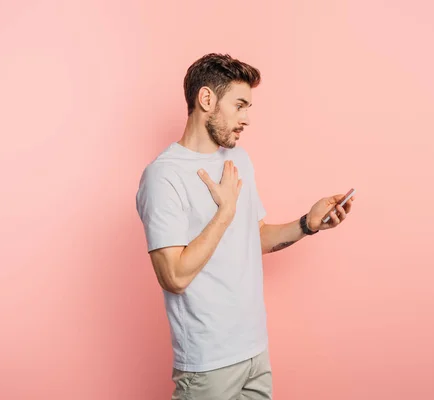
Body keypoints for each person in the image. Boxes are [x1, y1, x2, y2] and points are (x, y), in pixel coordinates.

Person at [135, 53, 355, 400]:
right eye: (239, 105)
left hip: (254, 351)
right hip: (208, 363)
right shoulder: (164, 176)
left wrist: (307, 224)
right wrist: (224, 213)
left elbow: (256, 238)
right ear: (206, 99)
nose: (247, 119)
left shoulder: (238, 159)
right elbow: (173, 277)